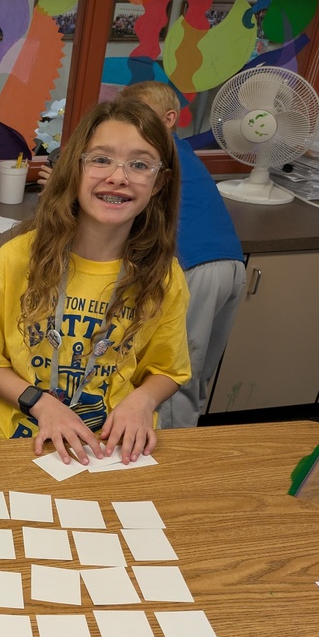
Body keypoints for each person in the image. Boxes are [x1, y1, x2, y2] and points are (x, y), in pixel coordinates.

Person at [0, 98, 191, 466]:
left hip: (110, 452)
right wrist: (42, 405)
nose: (118, 177)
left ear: (159, 183)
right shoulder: (17, 259)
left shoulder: (164, 277)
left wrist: (143, 401)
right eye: (101, 159)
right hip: (16, 443)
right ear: (75, 168)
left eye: (140, 165)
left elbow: (167, 370)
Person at [117, 81, 245, 428]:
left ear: (169, 118)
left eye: (142, 118)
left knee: (172, 375)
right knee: (195, 371)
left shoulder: (157, 157)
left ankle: (167, 463)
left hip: (193, 269)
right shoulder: (183, 151)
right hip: (231, 265)